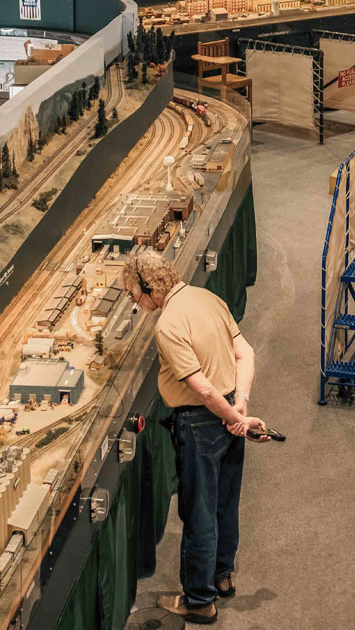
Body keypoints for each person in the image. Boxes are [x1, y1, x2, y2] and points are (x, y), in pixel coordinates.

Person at [123, 252, 264, 625]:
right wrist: (240, 411)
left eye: (134, 294)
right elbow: (245, 353)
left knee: (198, 513)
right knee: (225, 504)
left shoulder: (167, 325)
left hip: (200, 425)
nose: (135, 302)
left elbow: (201, 389)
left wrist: (235, 416)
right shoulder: (208, 299)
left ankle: (200, 600)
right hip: (229, 415)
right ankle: (223, 576)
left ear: (152, 289)